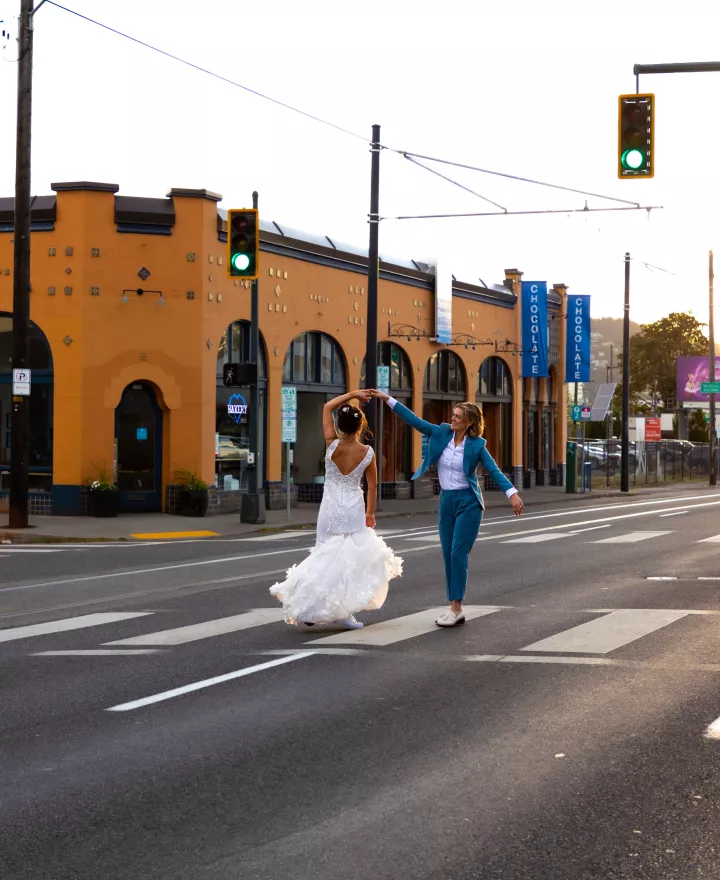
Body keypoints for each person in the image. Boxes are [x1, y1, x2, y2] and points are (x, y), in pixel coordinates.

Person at [371, 390, 523, 627]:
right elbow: (414, 421)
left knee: (457, 553)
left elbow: (493, 470)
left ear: (470, 422)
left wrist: (511, 493)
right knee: (447, 554)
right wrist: (387, 399)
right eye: (453, 415)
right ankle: (456, 607)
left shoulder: (477, 445)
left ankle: (455, 606)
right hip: (447, 501)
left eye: (458, 416)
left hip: (469, 502)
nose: (452, 419)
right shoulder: (441, 432)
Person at [270, 389, 403, 629]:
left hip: (329, 510)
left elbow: (326, 407)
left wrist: (353, 394)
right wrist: (370, 513)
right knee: (348, 563)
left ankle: (309, 609)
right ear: (360, 427)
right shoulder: (367, 453)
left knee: (323, 558)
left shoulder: (331, 445)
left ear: (339, 427)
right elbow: (372, 485)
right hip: (353, 509)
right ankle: (344, 612)